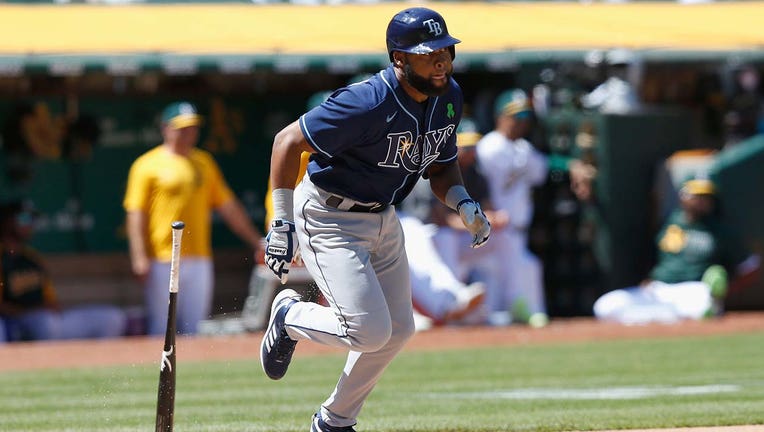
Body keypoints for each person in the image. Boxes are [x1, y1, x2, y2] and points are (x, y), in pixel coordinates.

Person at [260, 7, 490, 431]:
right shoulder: (366, 101)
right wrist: (281, 221)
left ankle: (334, 421)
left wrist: (462, 201)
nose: (442, 61)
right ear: (399, 58)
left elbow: (441, 166)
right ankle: (289, 316)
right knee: (367, 331)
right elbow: (287, 141)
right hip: (330, 215)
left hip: (383, 217)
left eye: (446, 51)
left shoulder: (449, 95)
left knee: (399, 329)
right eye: (428, 54)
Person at [123, 101, 263, 336]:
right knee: (161, 327)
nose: (190, 133)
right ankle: (159, 374)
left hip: (199, 256)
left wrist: (256, 241)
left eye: (193, 127)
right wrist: (139, 256)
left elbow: (229, 207)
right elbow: (136, 213)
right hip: (162, 257)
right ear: (166, 129)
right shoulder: (147, 164)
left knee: (194, 328)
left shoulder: (204, 162)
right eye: (182, 128)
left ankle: (189, 373)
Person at [593, 177, 761, 325]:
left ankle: (651, 319)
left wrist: (726, 291)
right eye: (696, 196)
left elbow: (750, 266)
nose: (701, 201)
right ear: (683, 198)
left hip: (693, 288)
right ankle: (661, 319)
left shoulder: (720, 231)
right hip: (659, 288)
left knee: (703, 308)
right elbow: (649, 255)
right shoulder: (669, 222)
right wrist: (647, 278)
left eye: (706, 197)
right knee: (605, 306)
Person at [474, 89, 550, 327]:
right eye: (516, 118)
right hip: (493, 230)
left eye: (525, 119)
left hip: (517, 230)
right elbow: (476, 186)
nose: (521, 124)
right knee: (498, 293)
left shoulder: (524, 148)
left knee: (524, 273)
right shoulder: (488, 147)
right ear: (501, 117)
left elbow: (544, 170)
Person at [0, 200, 126, 342]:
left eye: (33, 219)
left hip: (47, 321)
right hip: (14, 324)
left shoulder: (33, 258)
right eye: (24, 218)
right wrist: (31, 312)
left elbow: (51, 301)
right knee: (45, 323)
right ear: (7, 221)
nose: (30, 225)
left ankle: (92, 363)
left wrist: (48, 309)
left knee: (112, 318)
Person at [580, 48, 641, 114]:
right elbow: (588, 101)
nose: (620, 71)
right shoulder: (607, 88)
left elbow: (588, 102)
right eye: (616, 67)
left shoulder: (629, 88)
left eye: (623, 67)